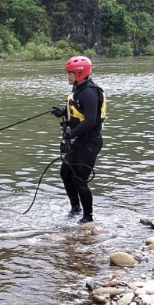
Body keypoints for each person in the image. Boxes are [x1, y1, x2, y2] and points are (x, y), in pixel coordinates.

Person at [51, 56, 106, 225]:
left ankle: (88, 217)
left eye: (70, 74)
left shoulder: (89, 92)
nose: (68, 77)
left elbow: (90, 120)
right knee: (65, 172)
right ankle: (75, 209)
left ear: (80, 74)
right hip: (80, 140)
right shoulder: (79, 90)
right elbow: (78, 114)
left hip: (90, 142)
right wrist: (63, 115)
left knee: (80, 179)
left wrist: (69, 135)